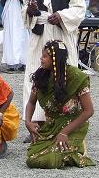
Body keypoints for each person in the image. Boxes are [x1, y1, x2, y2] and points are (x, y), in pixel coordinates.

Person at [22, 0, 86, 137]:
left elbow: (79, 8)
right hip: (40, 36)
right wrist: (31, 10)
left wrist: (61, 16)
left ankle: (65, 120)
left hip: (60, 35)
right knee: (36, 73)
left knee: (63, 74)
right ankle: (35, 123)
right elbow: (25, 9)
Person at [25, 40, 95, 168]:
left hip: (72, 126)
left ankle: (77, 149)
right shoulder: (41, 76)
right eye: (42, 55)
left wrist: (64, 132)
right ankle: (73, 150)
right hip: (51, 126)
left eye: (45, 56)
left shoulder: (76, 76)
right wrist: (28, 122)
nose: (41, 59)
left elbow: (88, 111)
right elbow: (30, 102)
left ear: (56, 59)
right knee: (32, 155)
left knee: (46, 160)